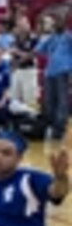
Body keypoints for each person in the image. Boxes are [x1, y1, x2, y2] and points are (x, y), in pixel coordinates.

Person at [35, 13, 71, 141]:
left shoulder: (68, 37)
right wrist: (41, 35)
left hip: (63, 72)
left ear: (64, 23)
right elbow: (38, 50)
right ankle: (48, 126)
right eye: (56, 22)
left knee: (62, 102)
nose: (57, 24)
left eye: (60, 22)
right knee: (49, 102)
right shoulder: (51, 38)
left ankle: (59, 130)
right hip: (49, 73)